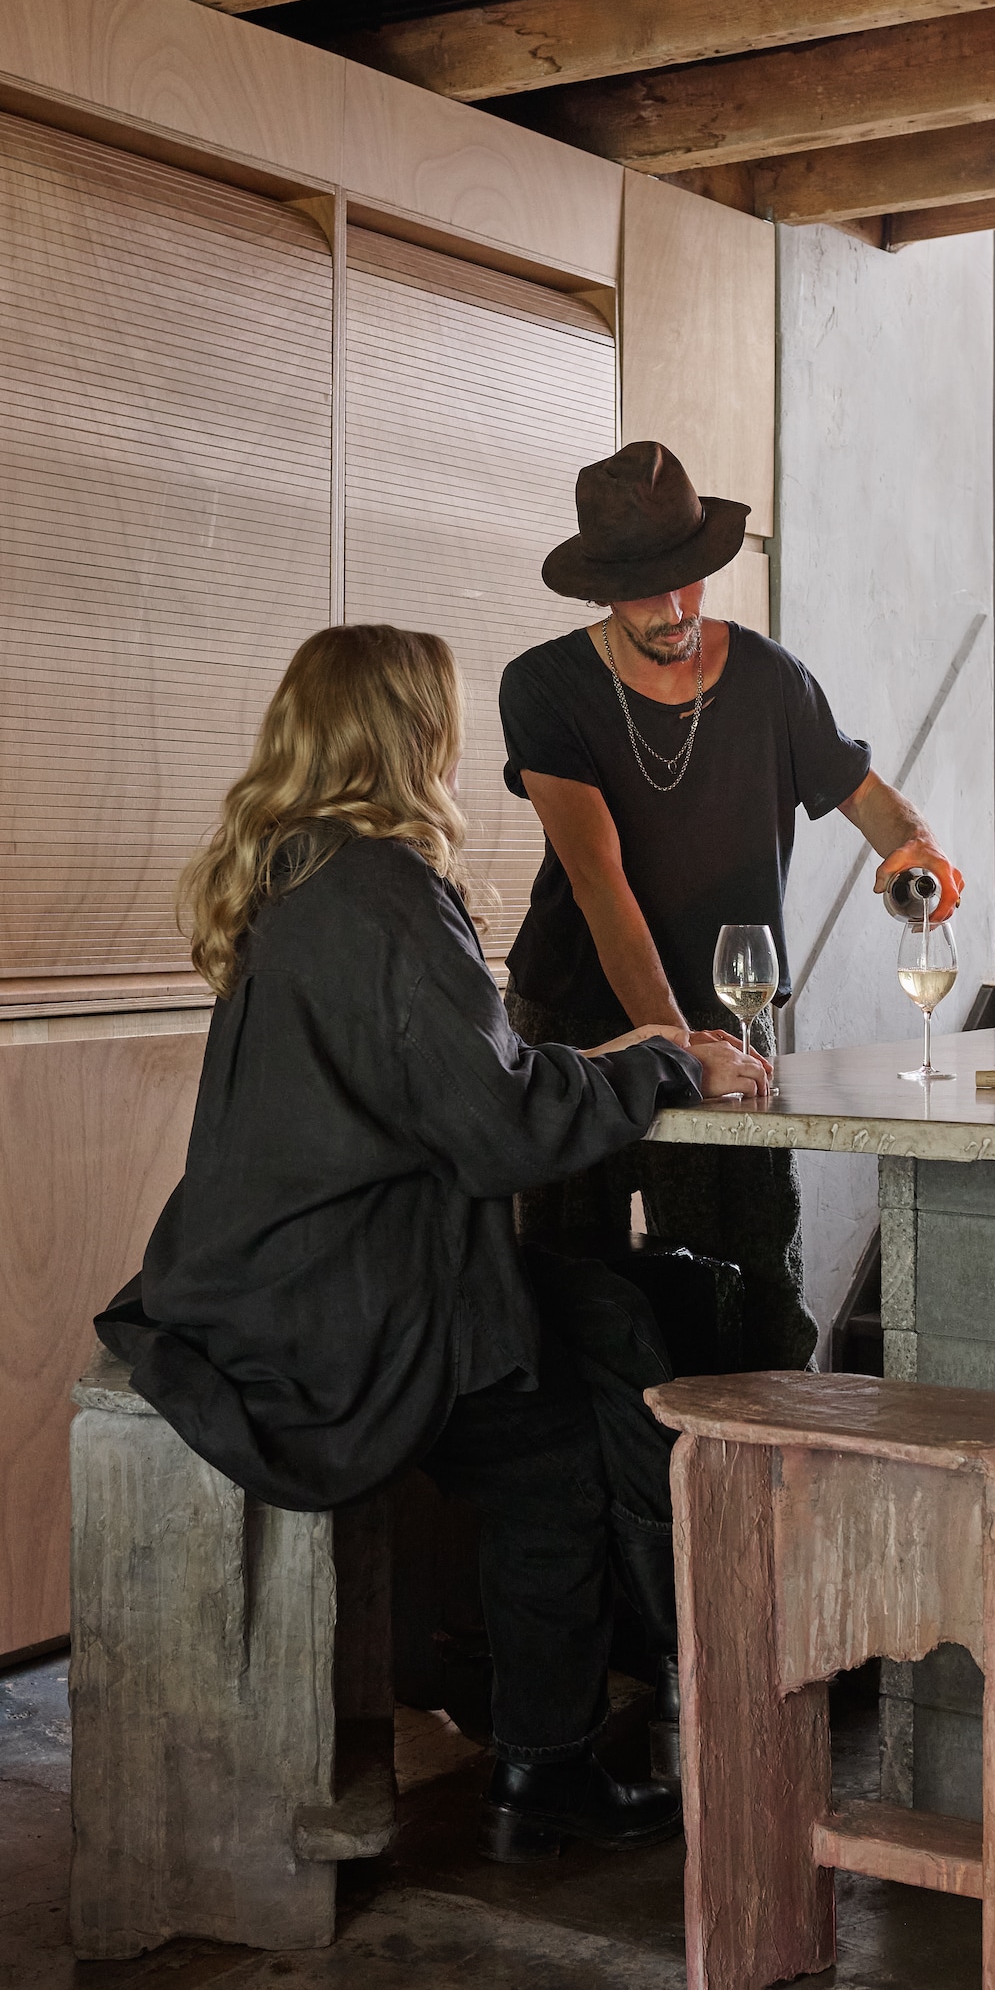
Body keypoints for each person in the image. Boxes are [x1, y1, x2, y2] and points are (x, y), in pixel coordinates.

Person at [96, 624, 771, 1859]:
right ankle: (557, 1764)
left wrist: (620, 1055)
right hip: (335, 1313)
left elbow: (453, 1081)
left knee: (600, 1318)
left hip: (262, 1277)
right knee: (557, 1430)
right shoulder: (388, 894)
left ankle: (610, 1696)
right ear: (413, 735)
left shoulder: (293, 871)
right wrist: (670, 1066)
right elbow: (499, 1130)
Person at [500, 441, 963, 1367]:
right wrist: (675, 1053)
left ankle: (757, 1454)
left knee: (756, 1297)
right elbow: (599, 884)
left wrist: (915, 848)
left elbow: (870, 799)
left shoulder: (768, 677)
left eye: (689, 582)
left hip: (734, 1013)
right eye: (647, 593)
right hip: (579, 1030)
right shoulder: (544, 686)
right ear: (604, 590)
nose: (675, 611)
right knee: (563, 1294)